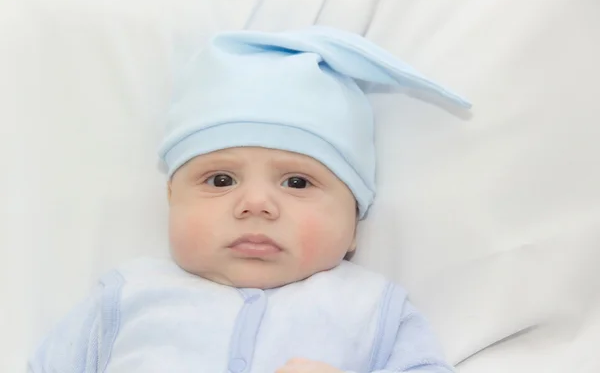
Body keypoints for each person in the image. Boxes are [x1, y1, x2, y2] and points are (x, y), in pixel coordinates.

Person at [28, 26, 470, 373]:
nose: (255, 204)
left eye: (297, 183)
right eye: (220, 179)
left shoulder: (372, 307)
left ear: (356, 221)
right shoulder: (127, 298)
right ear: (171, 199)